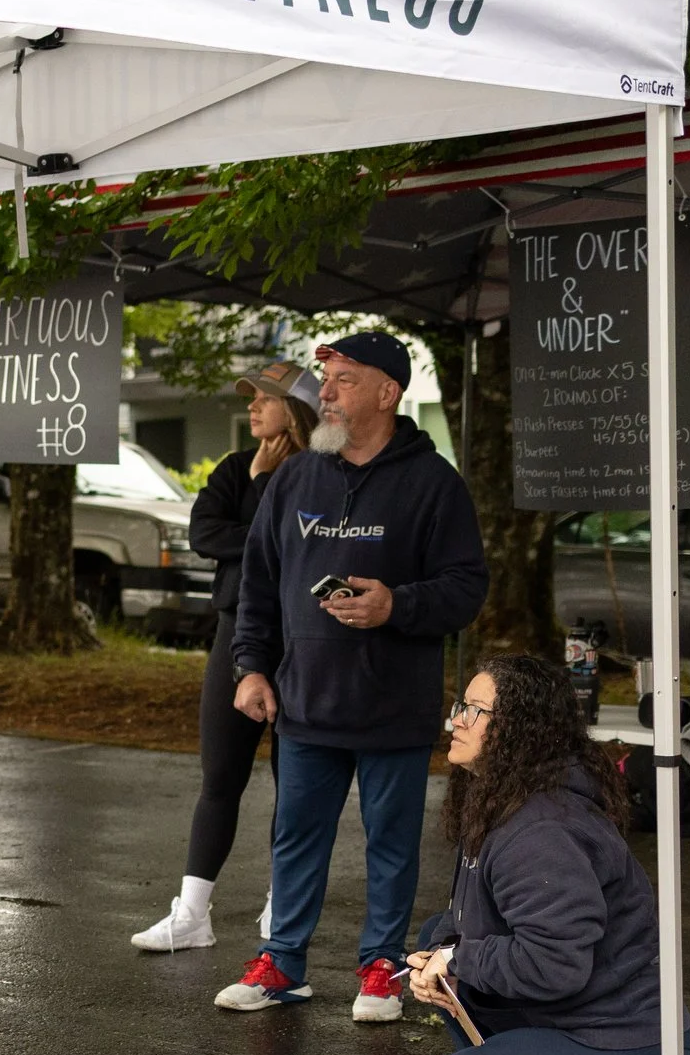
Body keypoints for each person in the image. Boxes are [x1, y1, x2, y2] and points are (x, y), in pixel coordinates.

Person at [220, 331, 488, 1019]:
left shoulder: (434, 484)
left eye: (342, 380)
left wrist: (396, 603)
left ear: (387, 392)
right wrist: (251, 665)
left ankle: (381, 966)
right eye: (324, 378)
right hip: (305, 699)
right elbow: (258, 581)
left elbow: (466, 587)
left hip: (392, 705)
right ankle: (282, 963)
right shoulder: (297, 478)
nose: (325, 393)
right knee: (295, 835)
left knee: (393, 842)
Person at [389, 656, 675, 1055]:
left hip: (621, 1048)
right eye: (462, 705)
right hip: (572, 1022)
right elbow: (466, 915)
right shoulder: (500, 797)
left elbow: (556, 962)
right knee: (431, 938)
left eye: (475, 711)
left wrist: (457, 961)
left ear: (519, 729)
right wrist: (441, 955)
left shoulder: (542, 830)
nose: (455, 720)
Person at [133, 360, 318, 952]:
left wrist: (263, 498)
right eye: (252, 398)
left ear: (295, 409)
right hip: (237, 633)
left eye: (264, 399)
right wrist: (260, 508)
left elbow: (297, 544)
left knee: (296, 783)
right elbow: (203, 534)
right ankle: (191, 914)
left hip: (305, 639)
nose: (252, 408)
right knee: (220, 777)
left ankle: (279, 908)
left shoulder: (321, 472)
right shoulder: (236, 467)